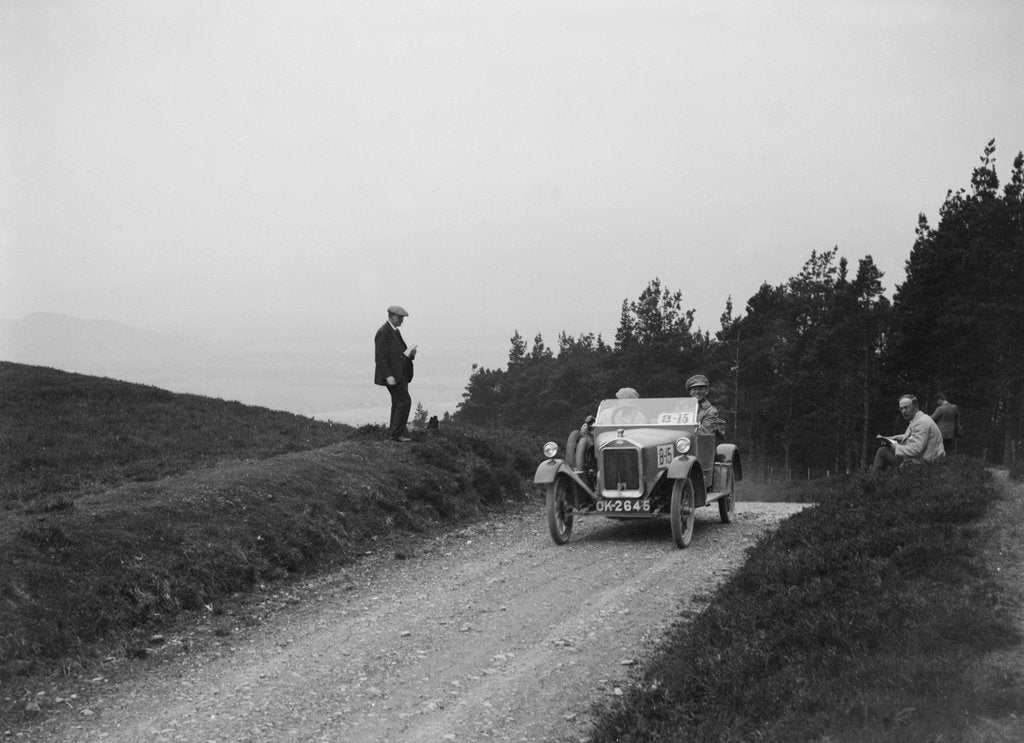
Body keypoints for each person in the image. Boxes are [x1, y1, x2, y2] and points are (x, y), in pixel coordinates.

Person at [373, 305, 417, 442]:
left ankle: (394, 433)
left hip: (400, 374)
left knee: (398, 402)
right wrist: (388, 375)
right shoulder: (383, 332)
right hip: (393, 376)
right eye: (400, 317)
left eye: (402, 318)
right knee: (405, 401)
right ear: (391, 316)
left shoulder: (394, 331)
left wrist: (410, 354)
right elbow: (380, 358)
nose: (402, 320)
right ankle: (396, 435)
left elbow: (400, 354)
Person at [871, 394, 945, 473]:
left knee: (882, 452)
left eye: (906, 407)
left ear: (916, 407)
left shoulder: (921, 423)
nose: (903, 411)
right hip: (925, 459)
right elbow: (913, 436)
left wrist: (896, 447)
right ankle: (878, 480)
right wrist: (894, 438)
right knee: (884, 450)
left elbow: (916, 449)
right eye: (901, 409)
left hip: (924, 464)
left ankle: (872, 481)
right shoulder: (920, 418)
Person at [685, 374, 726, 441]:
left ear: (706, 391)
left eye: (701, 389)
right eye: (694, 389)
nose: (697, 392)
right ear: (690, 392)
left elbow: (705, 433)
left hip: (700, 446)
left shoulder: (711, 411)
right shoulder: (681, 408)